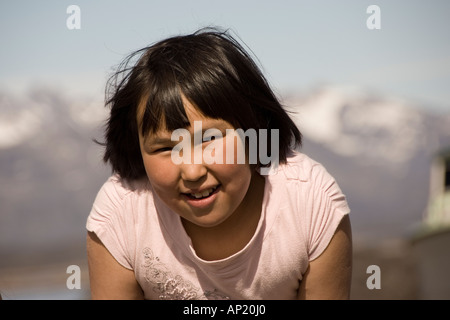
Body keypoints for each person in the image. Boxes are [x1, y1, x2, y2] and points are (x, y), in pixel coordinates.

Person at [86, 28, 352, 300]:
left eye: (210, 140)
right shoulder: (121, 214)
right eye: (165, 148)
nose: (192, 171)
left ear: (255, 133)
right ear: (137, 150)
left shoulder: (311, 203)